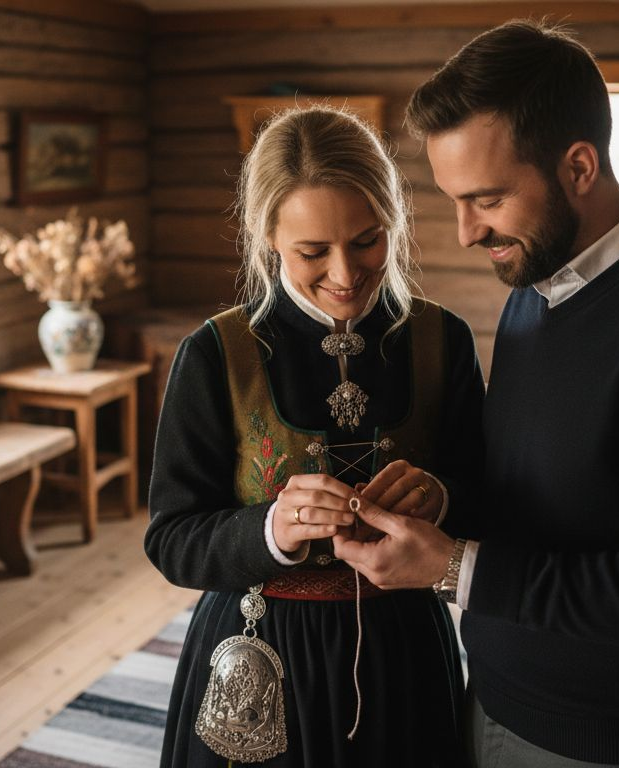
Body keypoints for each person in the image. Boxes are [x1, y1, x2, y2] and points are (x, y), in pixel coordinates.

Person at [335, 20, 619, 768]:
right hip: (490, 699)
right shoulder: (536, 288)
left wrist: (454, 568)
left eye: (487, 199)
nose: (466, 232)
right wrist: (442, 503)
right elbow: (540, 495)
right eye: (454, 200)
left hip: (607, 744)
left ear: (579, 166)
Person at [144, 105, 485, 767]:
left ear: (394, 221)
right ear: (267, 234)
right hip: (259, 655)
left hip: (402, 647)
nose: (345, 274)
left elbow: (491, 493)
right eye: (312, 252)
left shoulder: (443, 340)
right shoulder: (215, 353)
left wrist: (440, 498)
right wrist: (272, 528)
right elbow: (172, 539)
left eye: (367, 240)